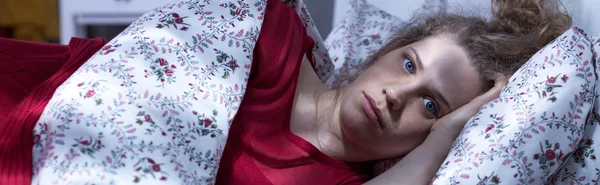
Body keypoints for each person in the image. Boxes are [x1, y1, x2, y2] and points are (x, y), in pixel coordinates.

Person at [215, 0, 571, 184]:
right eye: (409, 65)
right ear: (387, 51)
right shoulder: (274, 36)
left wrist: (445, 135)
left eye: (430, 106)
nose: (397, 96)